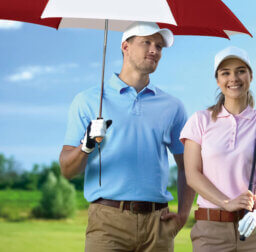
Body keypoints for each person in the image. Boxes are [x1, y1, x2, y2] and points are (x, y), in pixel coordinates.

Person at [59, 21, 195, 252]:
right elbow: (67, 170)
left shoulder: (173, 106)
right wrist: (86, 146)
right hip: (108, 222)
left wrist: (183, 214)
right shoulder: (88, 100)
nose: (155, 50)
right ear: (125, 46)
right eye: (147, 42)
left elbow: (187, 166)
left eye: (159, 46)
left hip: (158, 223)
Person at [180, 46, 256, 252]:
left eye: (240, 71)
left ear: (251, 76)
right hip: (211, 231)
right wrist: (226, 202)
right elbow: (192, 175)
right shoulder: (199, 120)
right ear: (217, 80)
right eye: (225, 73)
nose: (233, 78)